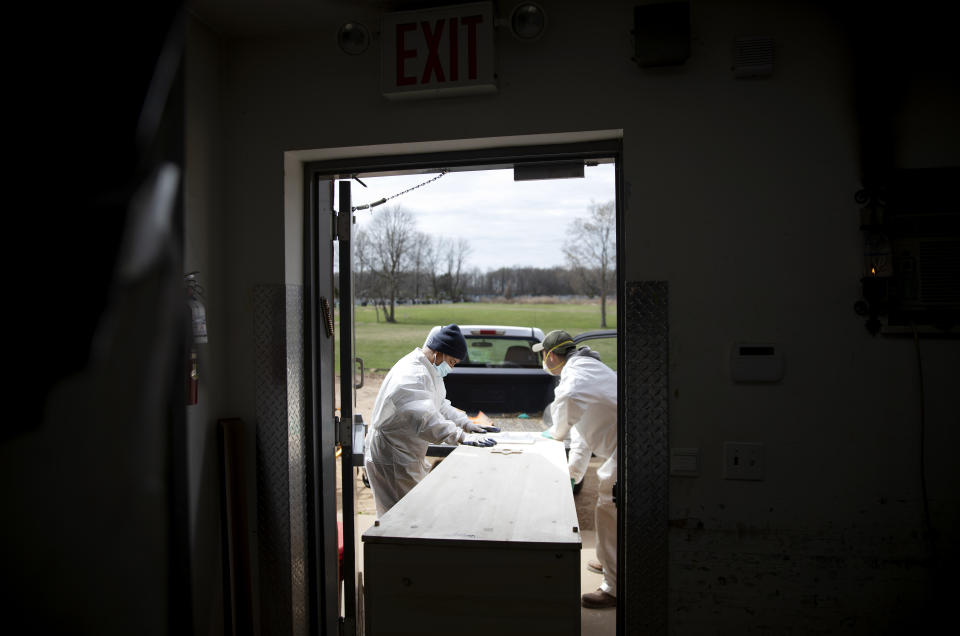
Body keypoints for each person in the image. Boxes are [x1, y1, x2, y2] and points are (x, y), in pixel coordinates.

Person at [363, 324, 500, 516]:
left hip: (405, 452)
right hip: (393, 455)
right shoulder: (411, 375)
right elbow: (425, 419)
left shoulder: (429, 370)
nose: (451, 368)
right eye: (452, 362)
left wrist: (467, 423)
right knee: (401, 518)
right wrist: (460, 436)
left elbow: (439, 405)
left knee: (409, 513)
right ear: (439, 353)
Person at [535, 329, 618, 609]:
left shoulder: (576, 376)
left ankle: (614, 588)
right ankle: (609, 559)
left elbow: (568, 401)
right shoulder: (590, 369)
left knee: (608, 506)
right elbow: (581, 434)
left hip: (627, 448)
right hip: (621, 445)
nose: (543, 362)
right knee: (612, 509)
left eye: (543, 357)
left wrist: (556, 434)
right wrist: (571, 476)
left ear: (551, 356)